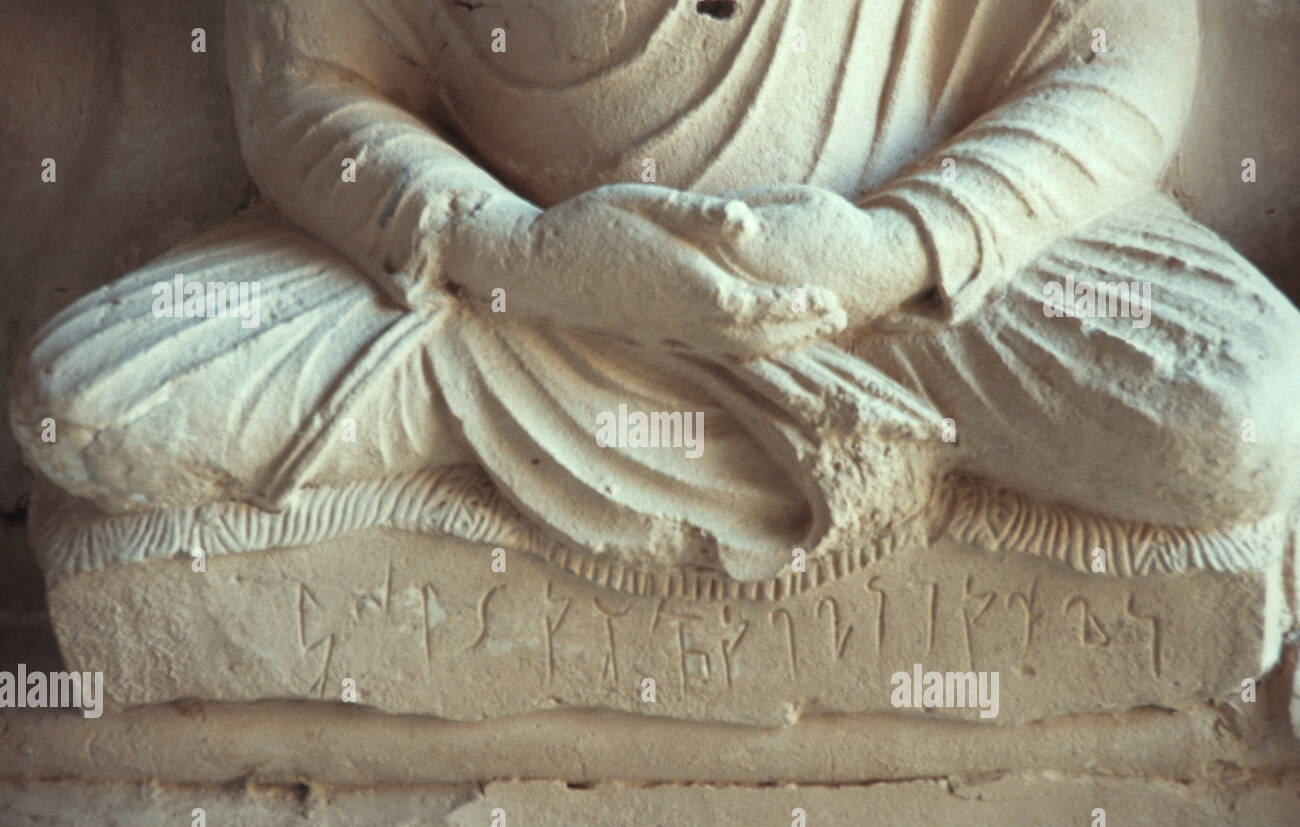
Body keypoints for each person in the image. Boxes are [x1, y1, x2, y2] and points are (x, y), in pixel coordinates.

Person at [12, 0, 1300, 581]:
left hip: (900, 297)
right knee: (87, 402)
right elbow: (305, 86)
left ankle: (788, 379)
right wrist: (516, 253)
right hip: (500, 306)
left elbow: (1123, 45)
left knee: (1232, 417)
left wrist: (904, 243)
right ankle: (694, 387)